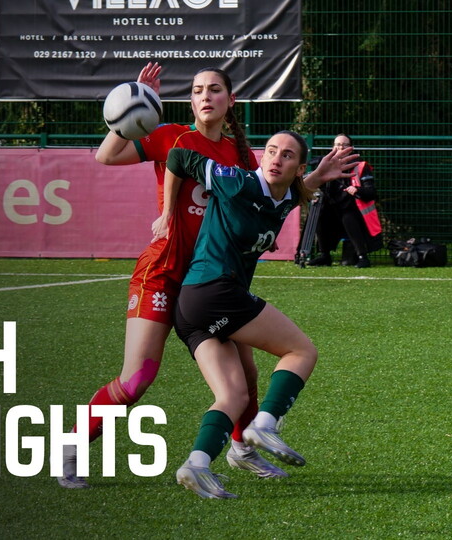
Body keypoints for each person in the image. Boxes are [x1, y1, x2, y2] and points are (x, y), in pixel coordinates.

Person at [57, 63, 280, 489]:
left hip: (211, 279)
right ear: (190, 100)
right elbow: (107, 155)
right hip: (162, 272)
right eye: (197, 90)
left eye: (214, 89)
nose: (205, 96)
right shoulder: (171, 136)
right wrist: (131, 107)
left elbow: (263, 199)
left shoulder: (241, 155)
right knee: (136, 379)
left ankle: (241, 449)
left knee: (246, 373)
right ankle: (71, 446)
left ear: (231, 100)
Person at [157, 131, 339, 499]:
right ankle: (265, 424)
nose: (276, 159)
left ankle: (196, 464)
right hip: (214, 291)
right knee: (301, 352)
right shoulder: (238, 181)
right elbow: (178, 157)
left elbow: (292, 195)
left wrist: (318, 176)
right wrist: (167, 213)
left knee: (234, 395)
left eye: (287, 155)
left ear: (298, 168)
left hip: (194, 307)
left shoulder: (283, 197)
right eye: (271, 151)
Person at [307, 134, 382, 268]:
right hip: (331, 209)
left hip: (353, 211)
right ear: (332, 148)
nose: (341, 147)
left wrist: (357, 190)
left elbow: (371, 193)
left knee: (348, 217)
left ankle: (362, 257)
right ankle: (324, 256)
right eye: (337, 145)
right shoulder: (324, 165)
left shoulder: (360, 166)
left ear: (351, 148)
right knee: (320, 213)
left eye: (344, 145)